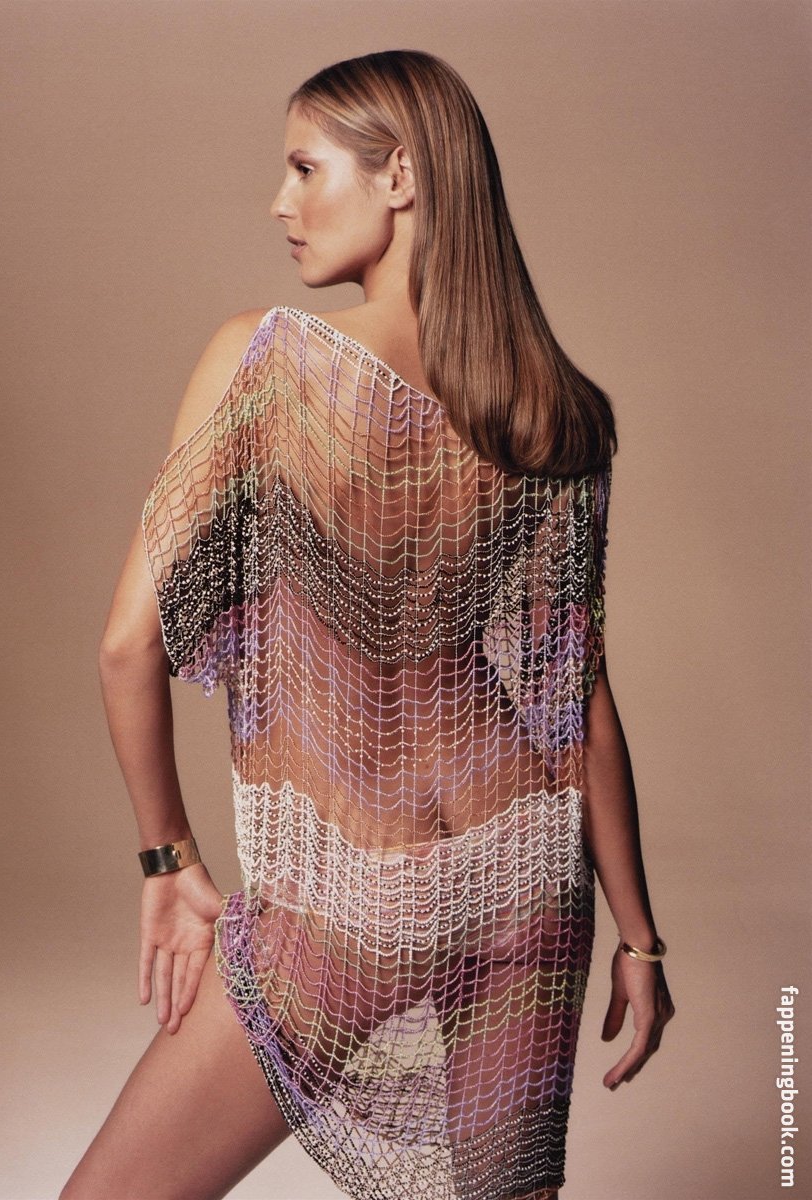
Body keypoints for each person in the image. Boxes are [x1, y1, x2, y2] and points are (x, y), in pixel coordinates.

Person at [60, 49, 674, 1200]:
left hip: (353, 892)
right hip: (524, 880)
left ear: (400, 177)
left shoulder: (265, 360)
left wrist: (167, 857)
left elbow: (125, 645)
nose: (278, 202)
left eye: (304, 168)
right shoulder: (553, 409)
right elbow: (577, 701)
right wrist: (637, 936)